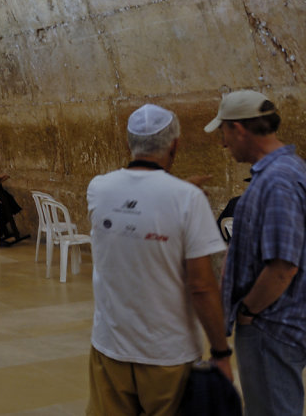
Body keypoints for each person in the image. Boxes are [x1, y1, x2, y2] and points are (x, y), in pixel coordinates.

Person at [86, 104, 232, 415]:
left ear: (128, 144)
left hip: (110, 347)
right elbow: (203, 287)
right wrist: (221, 350)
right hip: (167, 354)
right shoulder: (187, 199)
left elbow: (138, 204)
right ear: (175, 144)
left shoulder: (98, 188)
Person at [205, 90, 306, 416]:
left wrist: (248, 311)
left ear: (239, 129)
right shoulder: (285, 170)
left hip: (272, 326)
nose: (223, 143)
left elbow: (283, 266)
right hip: (276, 323)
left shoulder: (279, 180)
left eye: (224, 132)